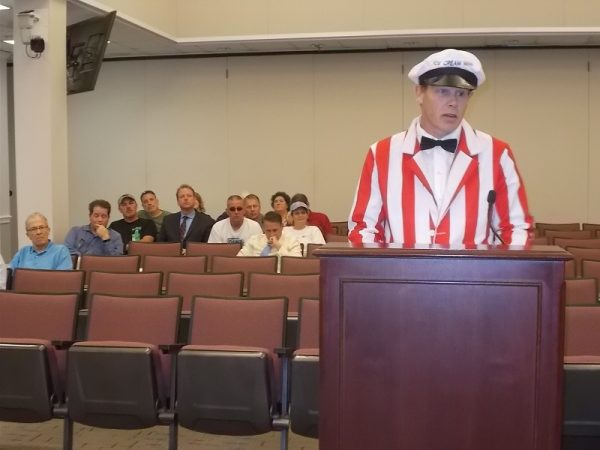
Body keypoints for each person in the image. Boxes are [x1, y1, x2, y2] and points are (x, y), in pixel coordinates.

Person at [348, 49, 532, 245]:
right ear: (419, 92)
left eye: (461, 94)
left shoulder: (497, 154)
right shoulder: (381, 154)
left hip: (475, 266)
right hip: (401, 266)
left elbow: (516, 229)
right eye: (442, 91)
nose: (453, 102)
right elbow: (364, 228)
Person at [158, 184, 215, 248]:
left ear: (194, 199)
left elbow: (208, 247)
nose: (186, 198)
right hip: (172, 254)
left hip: (196, 254)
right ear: (177, 201)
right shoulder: (168, 220)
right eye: (182, 196)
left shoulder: (207, 221)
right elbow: (160, 245)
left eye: (189, 196)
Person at [237, 211, 302, 263]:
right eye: (268, 231)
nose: (272, 234)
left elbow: (297, 263)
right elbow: (238, 260)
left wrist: (279, 246)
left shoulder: (292, 241)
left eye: (275, 230)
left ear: (282, 227)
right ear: (263, 228)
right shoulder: (254, 240)